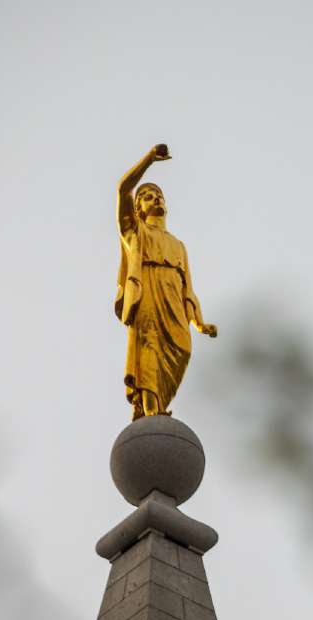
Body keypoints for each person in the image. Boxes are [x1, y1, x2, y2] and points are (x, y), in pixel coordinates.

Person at [114, 144, 218, 420]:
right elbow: (123, 190)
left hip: (173, 303)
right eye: (147, 196)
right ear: (138, 209)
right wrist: (149, 159)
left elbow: (189, 292)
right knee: (149, 347)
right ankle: (151, 412)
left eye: (158, 195)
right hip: (147, 291)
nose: (154, 198)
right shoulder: (135, 232)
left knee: (181, 350)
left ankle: (157, 406)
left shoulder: (179, 246)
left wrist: (198, 322)